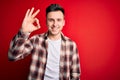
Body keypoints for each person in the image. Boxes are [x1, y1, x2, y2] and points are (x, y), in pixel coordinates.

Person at [8, 4, 81, 80]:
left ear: (63, 22)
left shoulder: (71, 45)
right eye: (51, 20)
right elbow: (12, 56)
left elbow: (75, 74)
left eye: (58, 20)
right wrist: (23, 32)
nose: (55, 24)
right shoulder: (36, 40)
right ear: (46, 21)